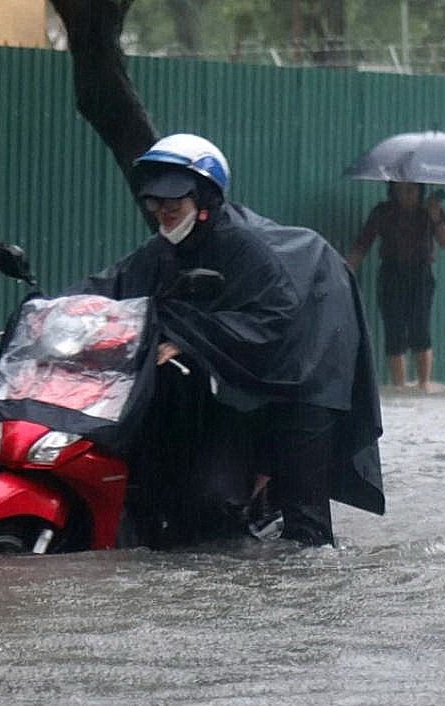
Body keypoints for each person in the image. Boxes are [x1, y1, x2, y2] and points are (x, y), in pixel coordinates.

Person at [65, 133, 384, 548]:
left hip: (308, 365)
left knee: (304, 522)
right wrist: (51, 313)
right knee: (200, 500)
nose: (163, 212)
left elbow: (274, 319)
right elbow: (111, 286)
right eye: (156, 203)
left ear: (204, 203)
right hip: (240, 377)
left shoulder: (243, 247)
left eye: (174, 203)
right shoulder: (163, 250)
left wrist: (189, 338)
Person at [347, 182, 445, 392]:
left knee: (420, 328)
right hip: (391, 273)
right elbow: (363, 243)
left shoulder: (429, 211)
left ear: (420, 190)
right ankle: (400, 386)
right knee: (393, 329)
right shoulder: (383, 212)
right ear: (393, 190)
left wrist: (436, 218)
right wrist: (346, 269)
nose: (407, 194)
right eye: (401, 189)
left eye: (412, 189)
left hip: (420, 274)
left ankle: (424, 383)